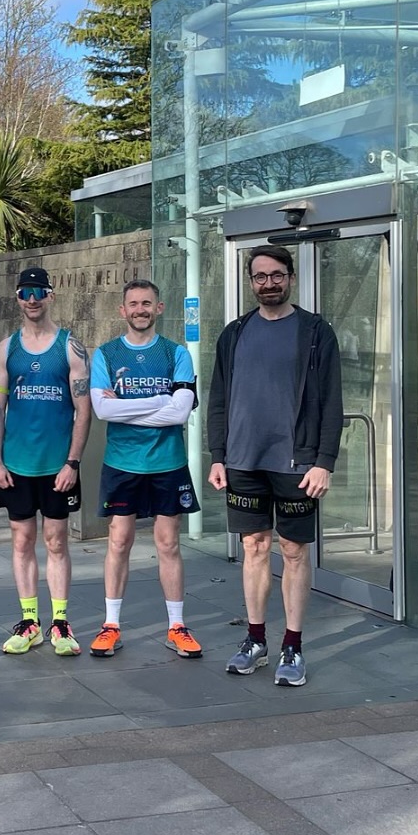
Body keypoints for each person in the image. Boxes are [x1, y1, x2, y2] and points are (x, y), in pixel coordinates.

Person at [207, 245, 342, 688]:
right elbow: (219, 399)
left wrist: (324, 462)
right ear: (251, 282)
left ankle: (293, 646)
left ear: (291, 277)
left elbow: (332, 403)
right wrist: (218, 455)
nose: (269, 283)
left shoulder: (315, 331)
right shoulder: (235, 333)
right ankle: (255, 640)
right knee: (254, 548)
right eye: (260, 276)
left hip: (296, 462)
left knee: (295, 551)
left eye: (277, 275)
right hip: (243, 460)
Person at [88, 280, 204, 660]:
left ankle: (177, 626)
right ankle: (111, 625)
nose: (140, 309)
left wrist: (128, 405)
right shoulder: (105, 354)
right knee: (119, 541)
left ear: (159, 307)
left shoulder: (177, 354)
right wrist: (160, 400)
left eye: (147, 303)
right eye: (133, 303)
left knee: (168, 543)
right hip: (122, 463)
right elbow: (103, 411)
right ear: (122, 310)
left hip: (167, 463)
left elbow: (181, 412)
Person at [0, 267, 91, 656]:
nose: (32, 299)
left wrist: (73, 462)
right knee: (22, 540)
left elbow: (84, 410)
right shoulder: (6, 348)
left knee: (57, 541)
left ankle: (60, 624)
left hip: (57, 466)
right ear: (17, 297)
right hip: (16, 464)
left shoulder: (70, 347)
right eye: (25, 292)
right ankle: (30, 621)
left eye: (39, 292)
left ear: (50, 295)